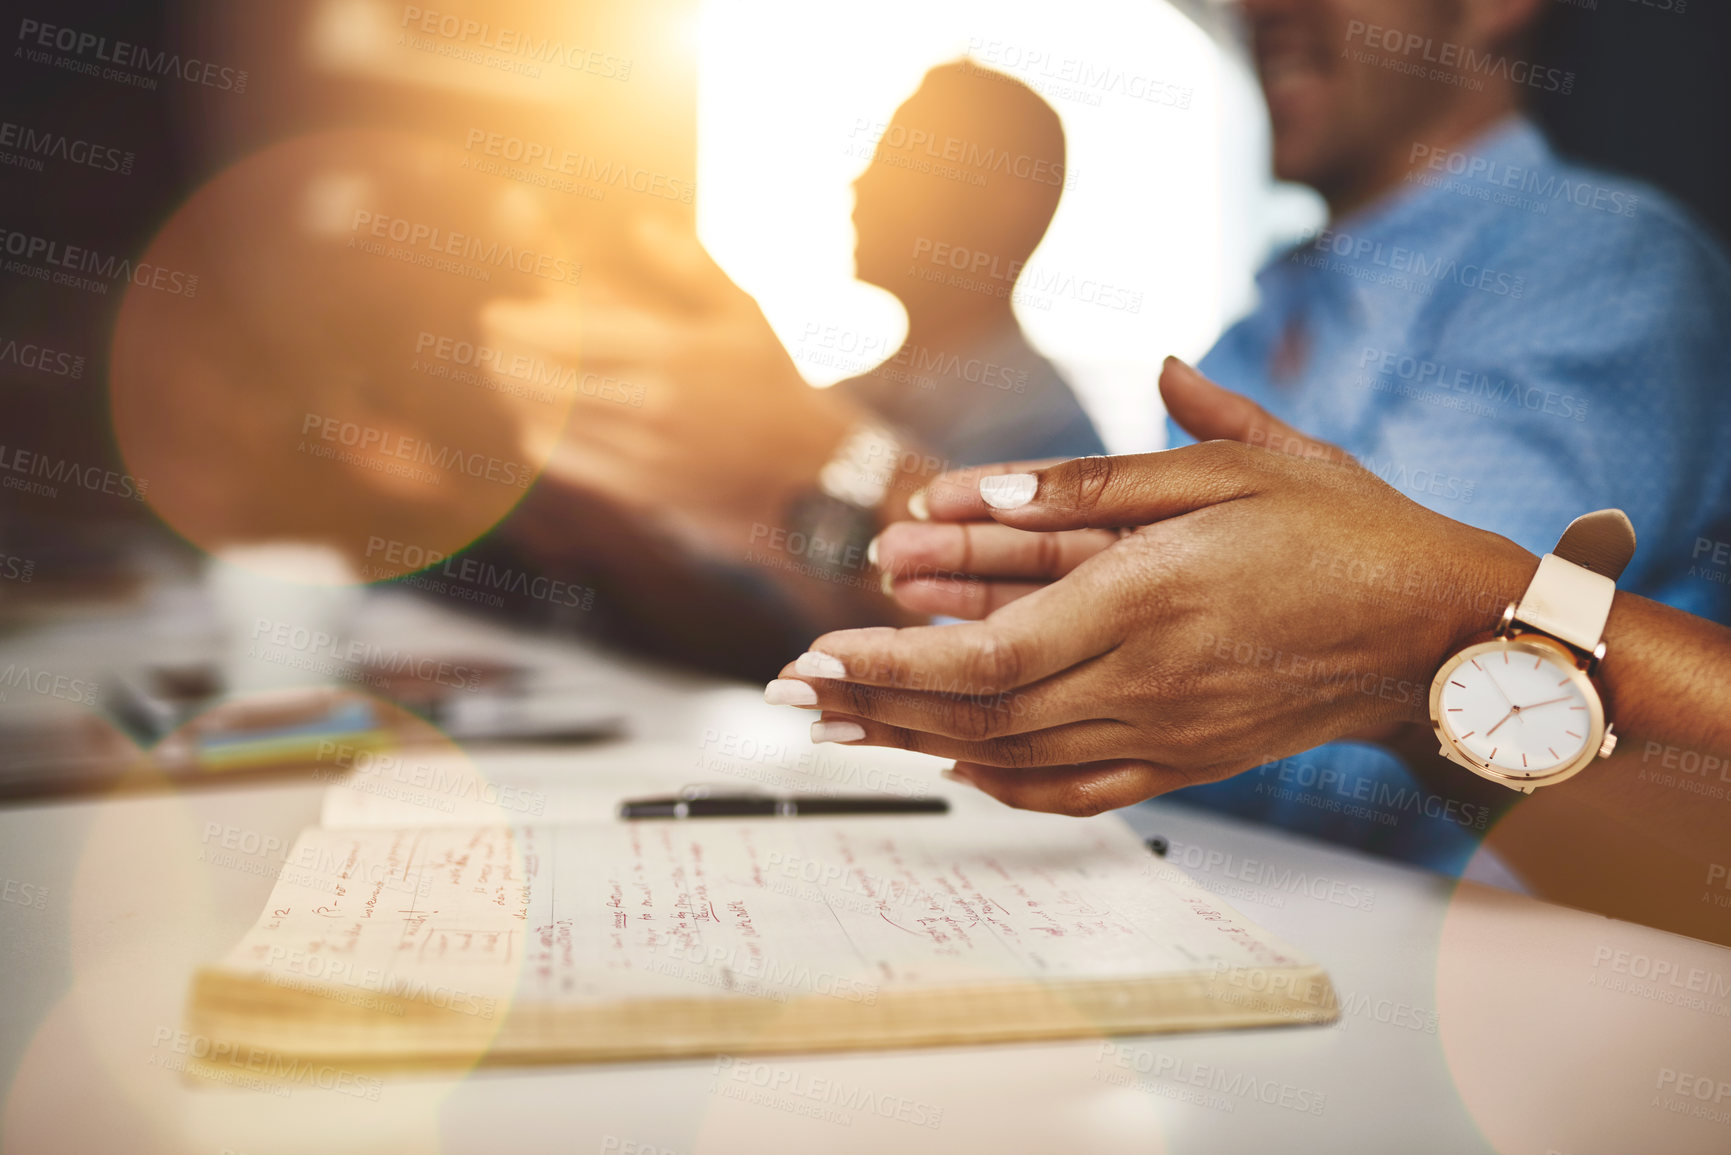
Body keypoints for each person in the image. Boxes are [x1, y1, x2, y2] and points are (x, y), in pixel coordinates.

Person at [763, 360, 1731, 945]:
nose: (1260, 6)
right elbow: (1422, 689)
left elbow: (1385, 714)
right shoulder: (1267, 315)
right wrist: (1148, 606)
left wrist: (1434, 618)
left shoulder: (1595, 275)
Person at [476, 63, 1100, 678]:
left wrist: (813, 451)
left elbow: (1013, 640)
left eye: (905, 160)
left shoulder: (1043, 432)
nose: (862, 183)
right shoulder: (860, 394)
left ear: (1003, 206)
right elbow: (783, 613)